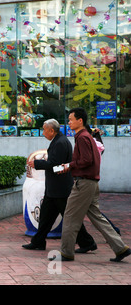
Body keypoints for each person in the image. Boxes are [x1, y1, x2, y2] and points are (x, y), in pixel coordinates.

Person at [54, 108, 130, 262]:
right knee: (97, 217)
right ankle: (120, 248)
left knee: (69, 216)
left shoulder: (82, 137)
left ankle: (66, 252)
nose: (68, 123)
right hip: (91, 183)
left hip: (84, 183)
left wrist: (69, 166)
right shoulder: (86, 136)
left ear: (80, 121)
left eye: (70, 119)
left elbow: (86, 160)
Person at [22, 119, 96, 252]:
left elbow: (55, 165)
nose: (43, 132)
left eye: (45, 130)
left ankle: (87, 242)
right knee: (45, 217)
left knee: (70, 218)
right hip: (54, 189)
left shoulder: (60, 143)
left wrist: (37, 164)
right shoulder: (59, 141)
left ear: (52, 130)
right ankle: (38, 241)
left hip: (60, 189)